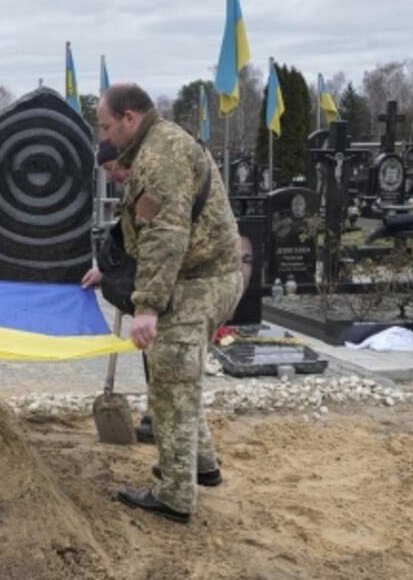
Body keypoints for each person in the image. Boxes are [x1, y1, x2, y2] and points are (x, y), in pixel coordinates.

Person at [98, 83, 242, 524]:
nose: (105, 134)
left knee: (171, 379)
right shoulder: (151, 150)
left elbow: (166, 235)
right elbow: (139, 226)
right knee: (178, 376)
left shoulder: (161, 157)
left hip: (202, 279)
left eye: (106, 125)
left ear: (130, 118)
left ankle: (175, 493)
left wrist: (146, 307)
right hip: (197, 275)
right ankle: (202, 465)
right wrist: (109, 273)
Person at [82, 140, 156, 443]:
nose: (110, 176)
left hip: (166, 286)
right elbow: (124, 240)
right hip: (150, 286)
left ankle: (161, 421)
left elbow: (150, 246)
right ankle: (156, 416)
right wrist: (105, 269)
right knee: (153, 356)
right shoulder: (131, 192)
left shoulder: (151, 188)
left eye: (112, 168)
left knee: (164, 362)